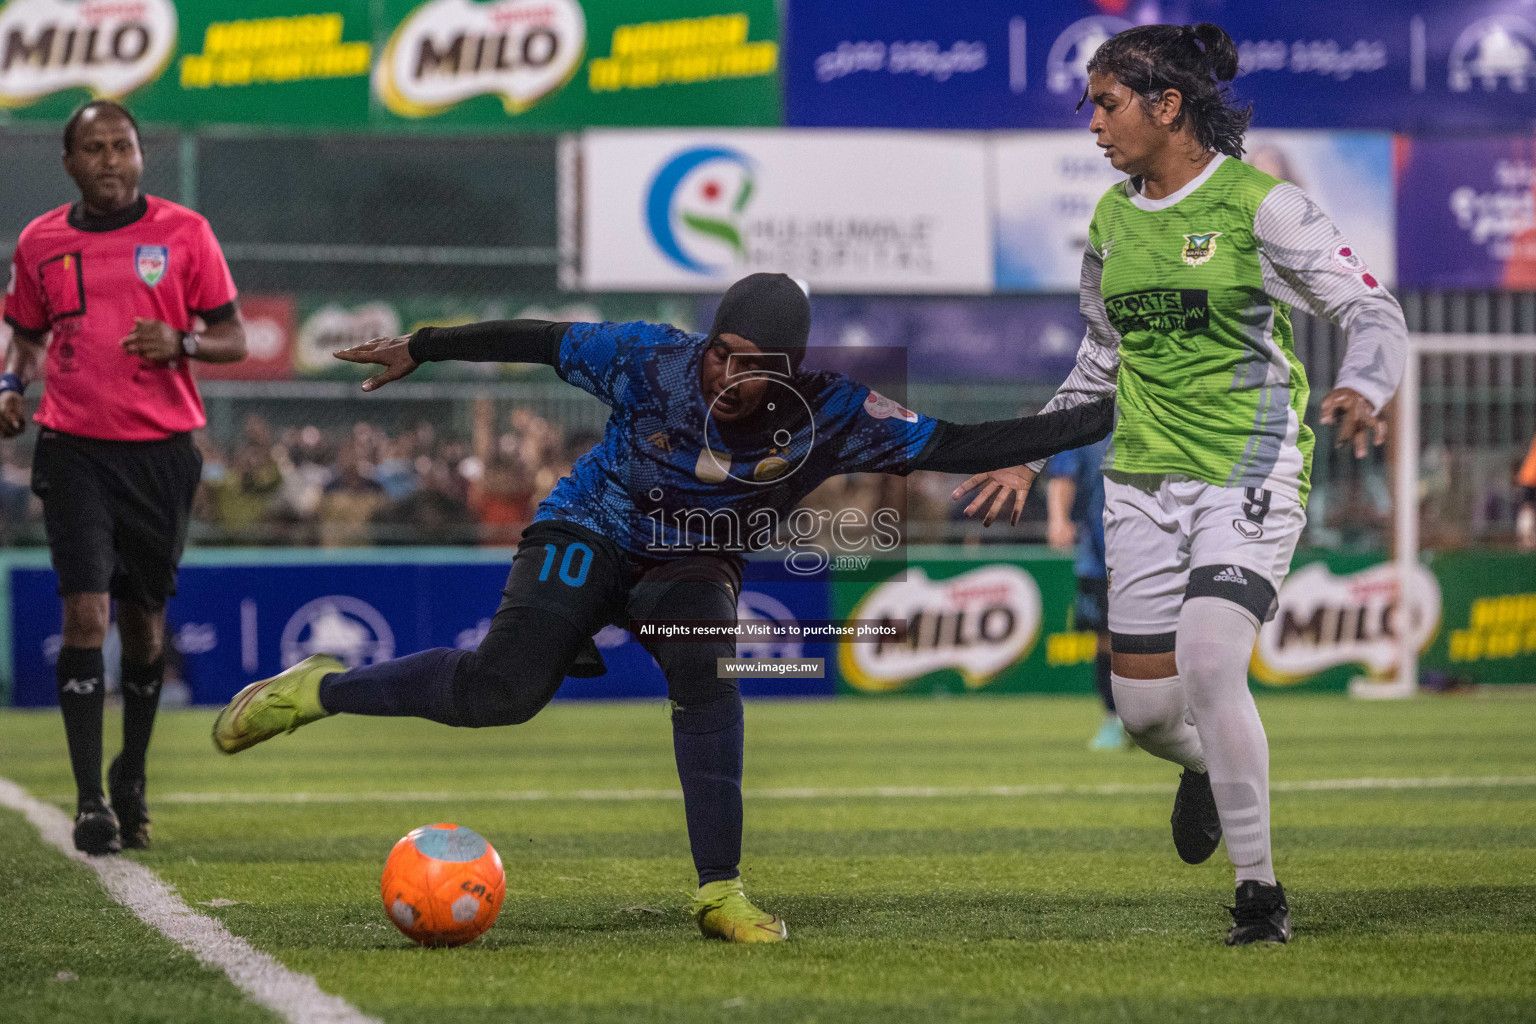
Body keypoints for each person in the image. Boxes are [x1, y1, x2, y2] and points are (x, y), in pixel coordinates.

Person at [212, 273, 1112, 942]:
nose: (728, 376)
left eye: (752, 368)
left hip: (693, 560)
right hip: (589, 526)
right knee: (501, 694)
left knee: (705, 669)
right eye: (721, 354)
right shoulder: (649, 356)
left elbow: (959, 441)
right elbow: (539, 338)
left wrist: (1098, 417)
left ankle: (719, 890)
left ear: (792, 372)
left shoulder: (835, 411)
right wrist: (429, 344)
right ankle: (317, 692)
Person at [952, 24, 1405, 944]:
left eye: (1107, 103)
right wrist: (1030, 452)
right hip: (1141, 482)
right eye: (1091, 106)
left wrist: (1366, 380)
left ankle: (1260, 895)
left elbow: (1370, 305)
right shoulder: (1113, 220)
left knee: (1208, 664)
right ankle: (1202, 767)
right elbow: (1099, 360)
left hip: (1250, 463)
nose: (1094, 124)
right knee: (1150, 712)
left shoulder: (1261, 205)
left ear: (1168, 106)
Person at [1, 101, 246, 854]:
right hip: (73, 449)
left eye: (124, 146)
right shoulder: (41, 242)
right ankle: (88, 802)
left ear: (142, 156)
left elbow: (234, 338)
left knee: (143, 622)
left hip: (162, 452)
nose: (112, 160)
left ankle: (131, 775)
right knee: (86, 615)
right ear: (71, 163)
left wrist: (184, 343)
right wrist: (10, 387)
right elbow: (27, 340)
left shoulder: (185, 233)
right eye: (96, 149)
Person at [1045, 435, 1124, 750]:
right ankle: (1113, 719)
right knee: (1105, 639)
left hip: (1157, 550)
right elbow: (1063, 473)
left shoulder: (1161, 407)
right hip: (1097, 553)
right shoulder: (1088, 415)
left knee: (1167, 635)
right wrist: (1058, 519)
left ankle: (1172, 715)